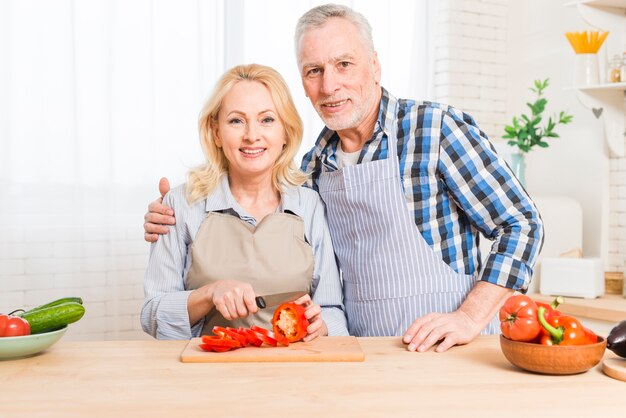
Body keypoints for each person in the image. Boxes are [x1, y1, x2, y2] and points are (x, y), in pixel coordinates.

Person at [144, 4, 544, 352]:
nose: (329, 85)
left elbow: (522, 224)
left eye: (344, 64)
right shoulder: (315, 165)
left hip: (452, 349)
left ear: (375, 65)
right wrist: (169, 216)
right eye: (314, 70)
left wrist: (469, 319)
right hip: (364, 355)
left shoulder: (434, 130)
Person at [141, 63, 348, 340]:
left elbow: (333, 310)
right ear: (216, 132)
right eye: (236, 120)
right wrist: (209, 294)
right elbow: (152, 314)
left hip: (295, 372)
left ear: (285, 132)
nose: (252, 135)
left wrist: (318, 325)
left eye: (267, 120)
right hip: (207, 375)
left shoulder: (310, 204)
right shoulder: (180, 205)